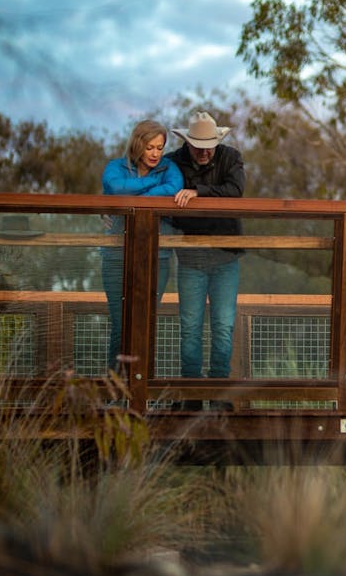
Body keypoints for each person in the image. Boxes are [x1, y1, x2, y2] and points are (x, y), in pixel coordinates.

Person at [101, 120, 184, 374]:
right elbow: (115, 187)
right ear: (138, 144)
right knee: (121, 323)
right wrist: (152, 189)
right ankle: (114, 393)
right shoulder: (116, 167)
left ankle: (142, 391)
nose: (156, 154)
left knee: (145, 322)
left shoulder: (169, 168)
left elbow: (174, 188)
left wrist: (133, 198)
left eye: (160, 148)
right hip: (117, 255)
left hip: (155, 256)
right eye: (150, 147)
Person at [169, 111, 246, 378]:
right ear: (187, 143)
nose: (204, 153)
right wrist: (111, 206)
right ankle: (190, 392)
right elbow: (151, 186)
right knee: (190, 327)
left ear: (217, 142)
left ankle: (218, 392)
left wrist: (197, 192)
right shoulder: (172, 163)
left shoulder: (231, 157)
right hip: (190, 258)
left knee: (223, 326)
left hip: (226, 257)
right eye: (198, 147)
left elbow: (235, 191)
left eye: (209, 147)